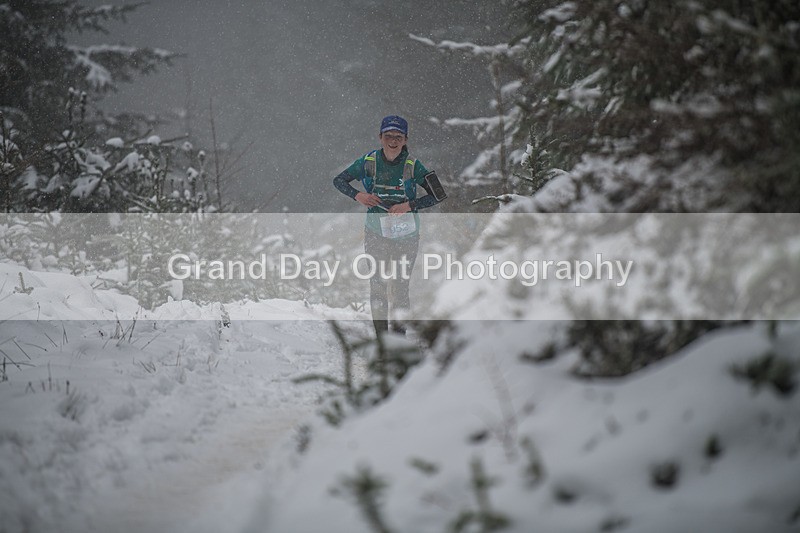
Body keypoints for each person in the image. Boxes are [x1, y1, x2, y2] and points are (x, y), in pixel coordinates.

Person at [333, 115, 445, 335]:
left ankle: (398, 343)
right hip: (376, 233)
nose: (393, 141)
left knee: (401, 288)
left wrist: (409, 205)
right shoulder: (368, 162)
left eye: (398, 136)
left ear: (405, 140)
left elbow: (439, 195)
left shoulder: (413, 165)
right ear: (380, 137)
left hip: (407, 235)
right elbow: (339, 181)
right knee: (378, 286)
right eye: (388, 136)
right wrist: (358, 196)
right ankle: (383, 342)